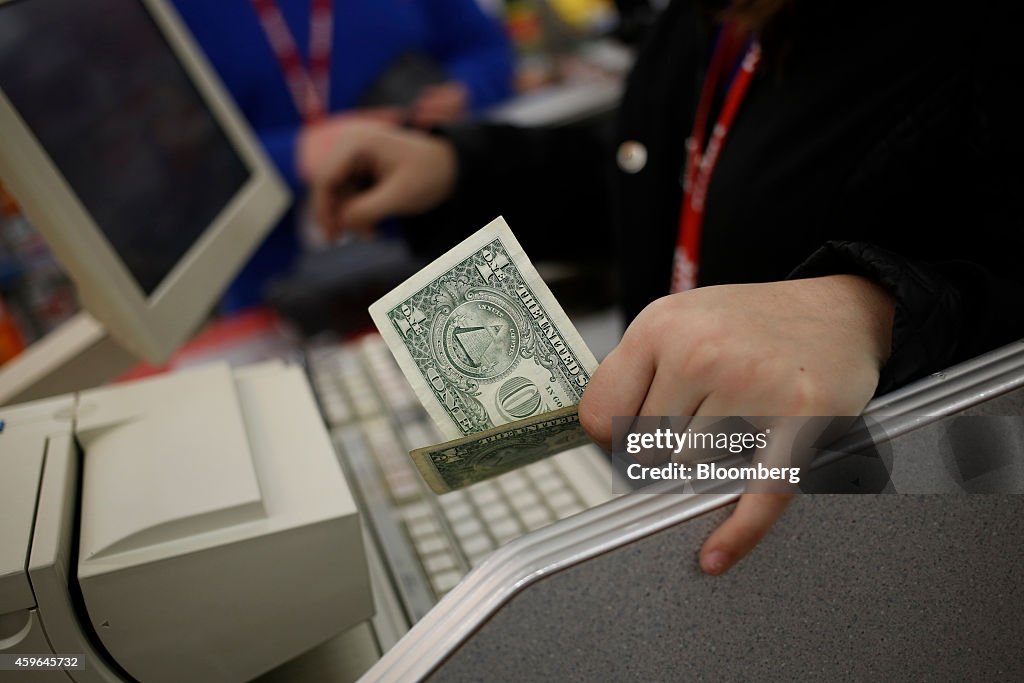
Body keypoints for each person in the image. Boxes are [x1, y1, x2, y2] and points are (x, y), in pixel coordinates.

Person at [310, 0, 1024, 574]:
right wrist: (458, 170)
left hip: (888, 552)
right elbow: (665, 182)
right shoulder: (704, 22)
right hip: (689, 493)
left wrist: (874, 308)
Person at [171, 0, 516, 309]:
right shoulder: (175, 11)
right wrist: (290, 154)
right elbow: (175, 162)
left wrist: (464, 90)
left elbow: (490, 51)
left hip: (447, 243)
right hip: (275, 286)